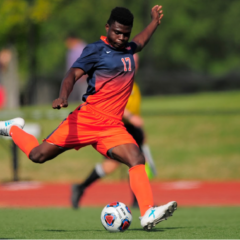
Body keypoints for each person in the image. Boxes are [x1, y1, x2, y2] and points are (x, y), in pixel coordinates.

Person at [0, 5, 177, 230]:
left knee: (136, 158)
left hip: (113, 127)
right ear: (107, 27)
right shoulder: (95, 50)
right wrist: (63, 96)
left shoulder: (129, 48)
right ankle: (12, 128)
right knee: (38, 155)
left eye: (126, 33)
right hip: (86, 120)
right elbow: (72, 74)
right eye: (117, 32)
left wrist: (154, 22)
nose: (121, 37)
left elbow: (141, 41)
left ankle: (147, 213)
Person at [71, 54, 157, 209]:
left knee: (131, 163)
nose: (135, 64)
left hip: (131, 129)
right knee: (129, 162)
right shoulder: (118, 80)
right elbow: (112, 103)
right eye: (133, 61)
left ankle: (137, 201)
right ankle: (81, 187)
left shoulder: (133, 84)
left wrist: (140, 130)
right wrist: (131, 118)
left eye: (137, 61)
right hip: (118, 127)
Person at [65, 33, 88, 102]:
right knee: (74, 97)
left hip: (82, 76)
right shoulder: (71, 50)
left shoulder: (81, 48)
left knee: (83, 95)